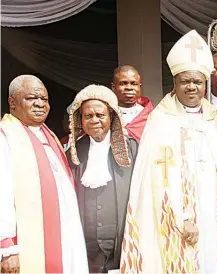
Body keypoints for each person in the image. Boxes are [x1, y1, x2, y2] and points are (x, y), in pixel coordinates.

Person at [119, 30, 217, 274]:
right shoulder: (160, 119)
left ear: (205, 84)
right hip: (173, 219)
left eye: (197, 82)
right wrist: (183, 217)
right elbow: (156, 180)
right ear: (175, 83)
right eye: (184, 81)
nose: (191, 87)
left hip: (212, 218)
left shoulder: (215, 120)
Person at [0, 75, 88, 273]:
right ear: (12, 102)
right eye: (32, 98)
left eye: (45, 99)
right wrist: (6, 247)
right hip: (26, 243)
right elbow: (1, 193)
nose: (40, 104)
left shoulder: (47, 134)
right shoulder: (5, 136)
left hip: (64, 236)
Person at [66, 84, 138, 273]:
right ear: (80, 120)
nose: (95, 120)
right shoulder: (74, 152)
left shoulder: (131, 149)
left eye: (100, 115)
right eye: (88, 116)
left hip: (121, 245)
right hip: (85, 247)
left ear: (111, 117)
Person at [111, 65, 154, 142]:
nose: (129, 88)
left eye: (134, 84)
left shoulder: (152, 116)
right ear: (113, 87)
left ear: (139, 87)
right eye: (123, 83)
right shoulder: (106, 114)